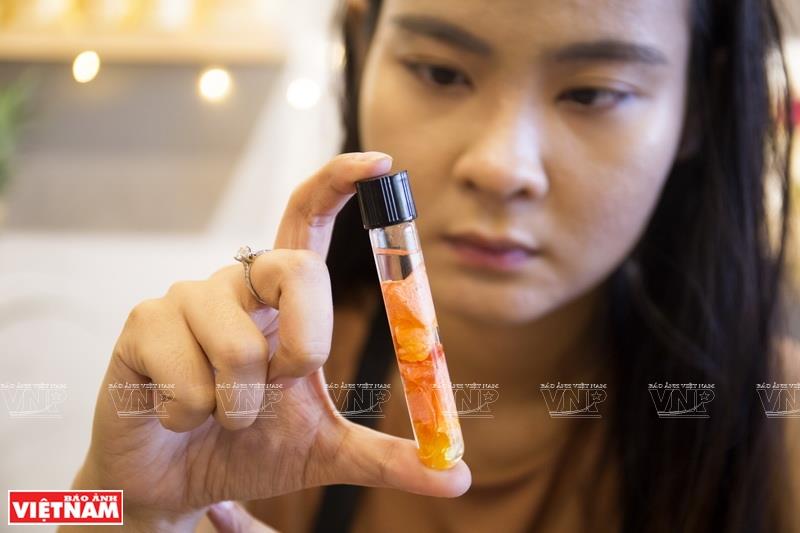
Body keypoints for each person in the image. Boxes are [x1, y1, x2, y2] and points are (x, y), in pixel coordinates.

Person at [62, 0, 799, 532]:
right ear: (362, 42)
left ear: (698, 106)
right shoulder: (261, 400)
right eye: (441, 72)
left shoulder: (779, 431)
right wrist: (127, 508)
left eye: (592, 91)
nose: (500, 165)